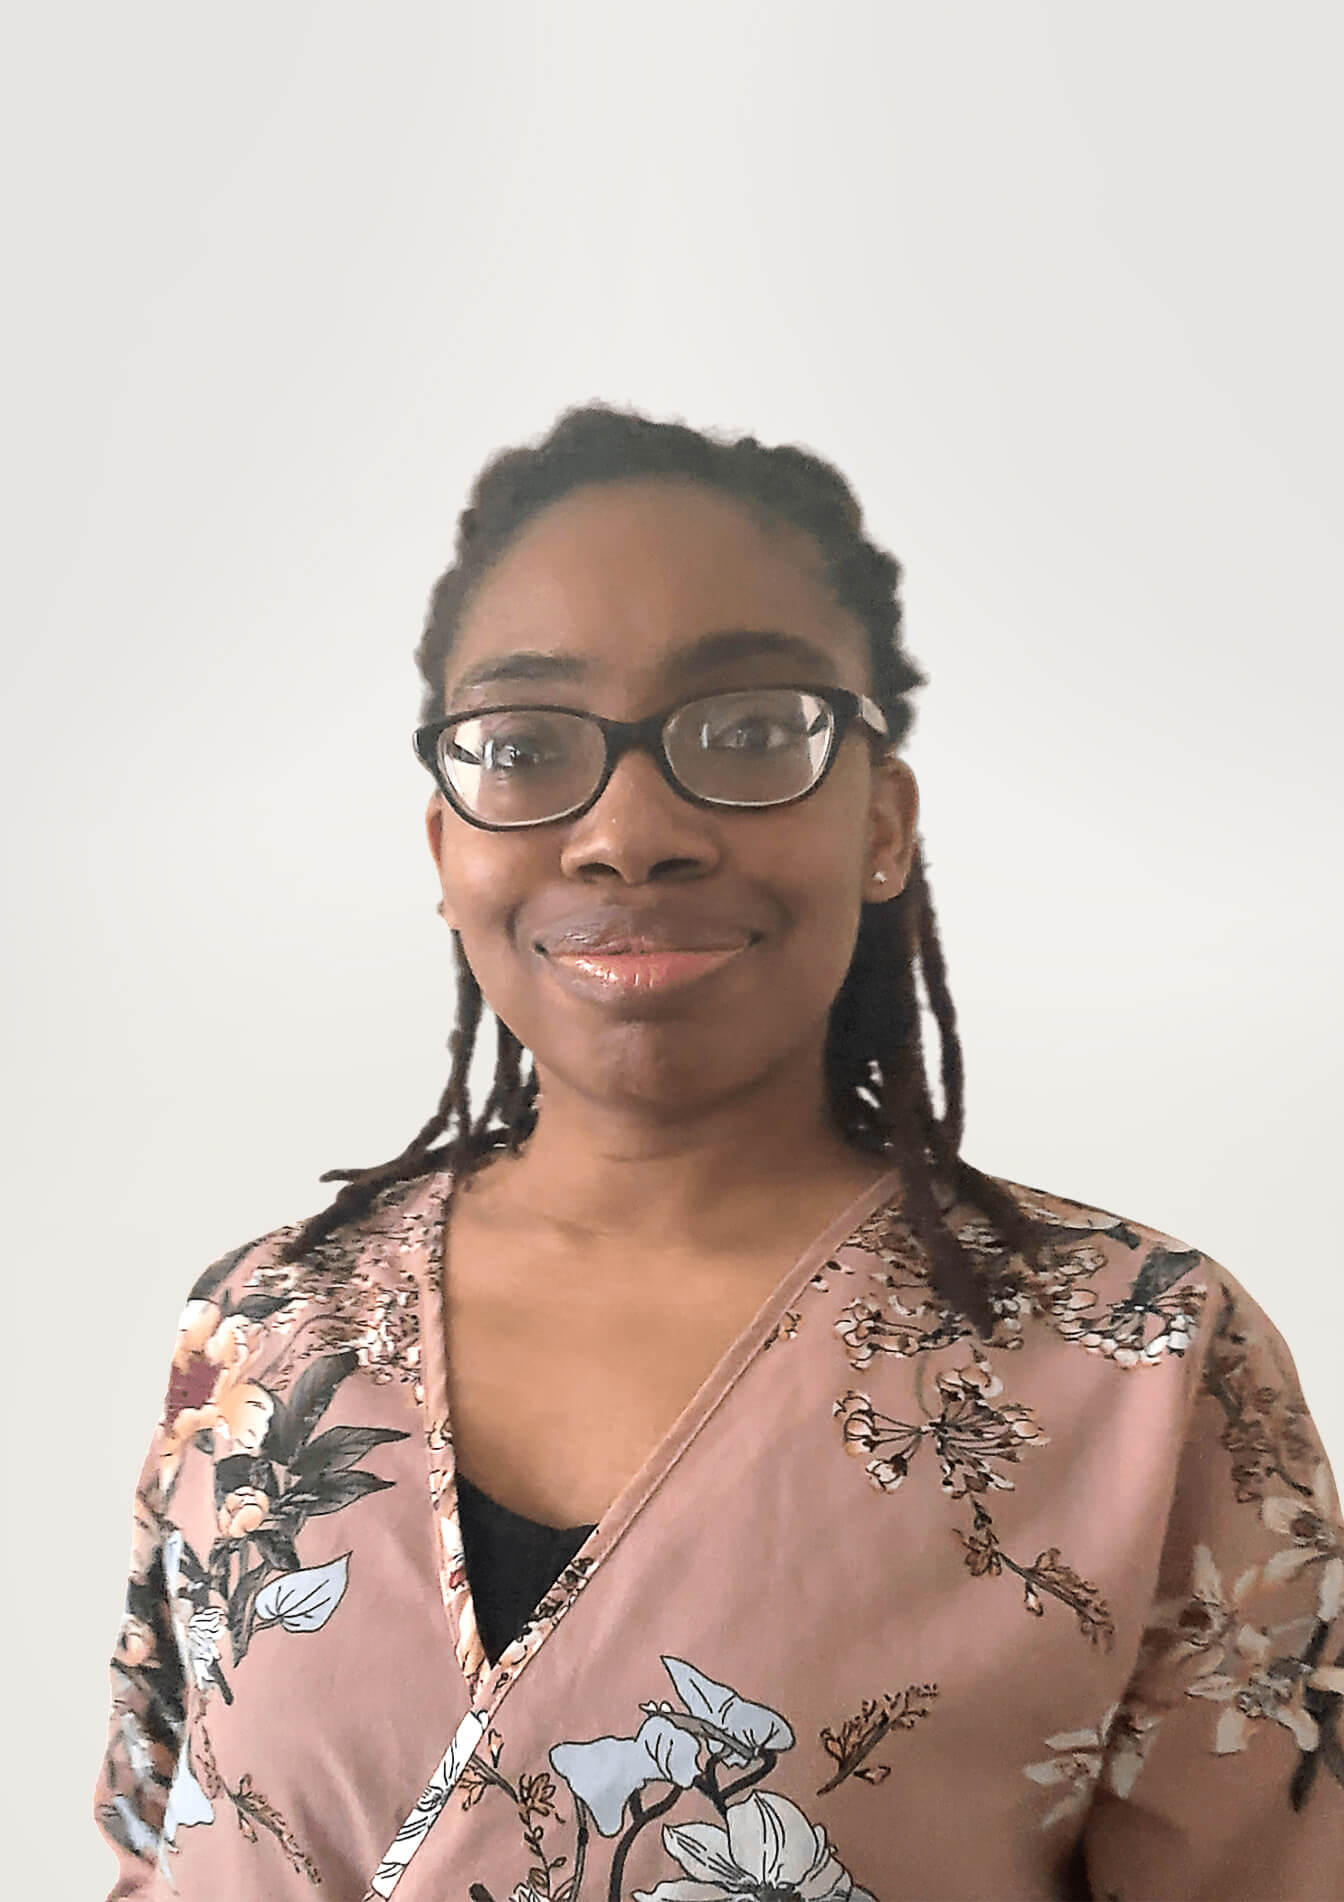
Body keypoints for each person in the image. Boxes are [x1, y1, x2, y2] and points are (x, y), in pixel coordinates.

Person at [94, 404, 1343, 1902]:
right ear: (446, 846)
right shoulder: (260, 1336)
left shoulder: (1143, 1364)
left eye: (748, 731)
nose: (629, 831)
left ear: (884, 820)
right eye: (526, 743)